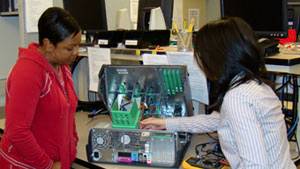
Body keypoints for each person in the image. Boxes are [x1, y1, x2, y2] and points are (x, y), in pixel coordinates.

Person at [140, 17, 296, 169]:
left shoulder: (238, 98)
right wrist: (165, 123)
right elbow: (217, 120)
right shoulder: (254, 86)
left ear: (215, 57)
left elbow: (255, 165)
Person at [0, 7, 81, 169]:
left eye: (78, 46)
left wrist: (72, 146)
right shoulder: (27, 72)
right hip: (27, 164)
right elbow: (17, 131)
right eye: (70, 48)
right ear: (48, 44)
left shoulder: (62, 66)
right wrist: (48, 165)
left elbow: (67, 112)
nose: (76, 53)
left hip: (57, 162)